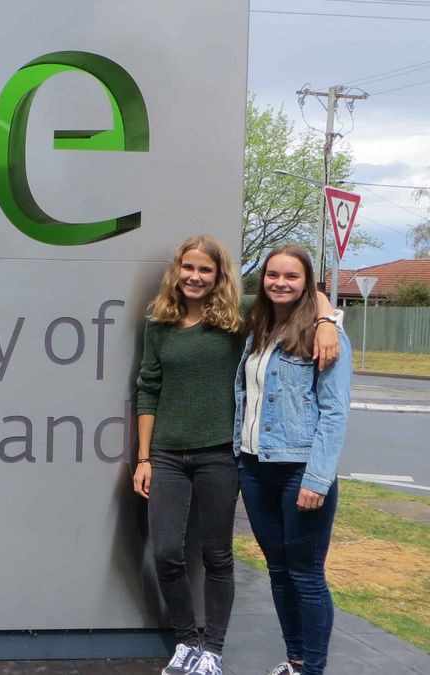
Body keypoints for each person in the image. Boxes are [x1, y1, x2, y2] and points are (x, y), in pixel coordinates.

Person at [134, 236, 339, 675]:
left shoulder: (238, 317)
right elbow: (147, 388)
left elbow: (298, 287)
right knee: (167, 553)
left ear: (218, 275)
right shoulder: (158, 323)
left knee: (220, 556)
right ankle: (188, 641)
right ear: (177, 269)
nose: (195, 276)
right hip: (171, 454)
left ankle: (214, 650)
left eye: (205, 269)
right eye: (188, 267)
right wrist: (144, 457)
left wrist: (326, 320)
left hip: (222, 456)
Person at [234, 244, 351, 675]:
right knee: (278, 570)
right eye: (273, 275)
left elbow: (335, 412)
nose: (280, 283)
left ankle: (313, 669)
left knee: (305, 574)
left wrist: (317, 479)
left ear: (306, 285)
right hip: (254, 466)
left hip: (300, 469)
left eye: (291, 277)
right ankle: (296, 658)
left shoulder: (326, 336)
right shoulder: (257, 329)